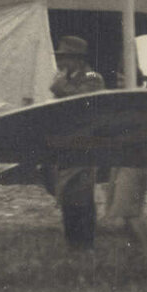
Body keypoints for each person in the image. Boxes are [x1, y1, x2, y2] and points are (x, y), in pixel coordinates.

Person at [47, 35, 105, 250]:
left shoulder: (92, 77)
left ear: (77, 59)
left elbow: (84, 102)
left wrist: (60, 88)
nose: (61, 62)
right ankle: (73, 241)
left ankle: (85, 243)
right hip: (65, 144)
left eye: (65, 57)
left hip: (84, 145)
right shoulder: (67, 79)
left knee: (81, 193)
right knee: (67, 193)